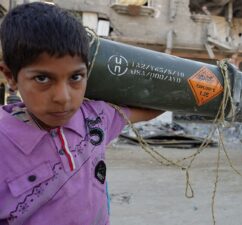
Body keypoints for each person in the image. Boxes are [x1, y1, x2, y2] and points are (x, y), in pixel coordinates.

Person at [0, 2, 162, 225]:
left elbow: (151, 108)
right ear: (10, 76)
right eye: (42, 79)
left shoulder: (95, 118)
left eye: (76, 77)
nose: (63, 97)